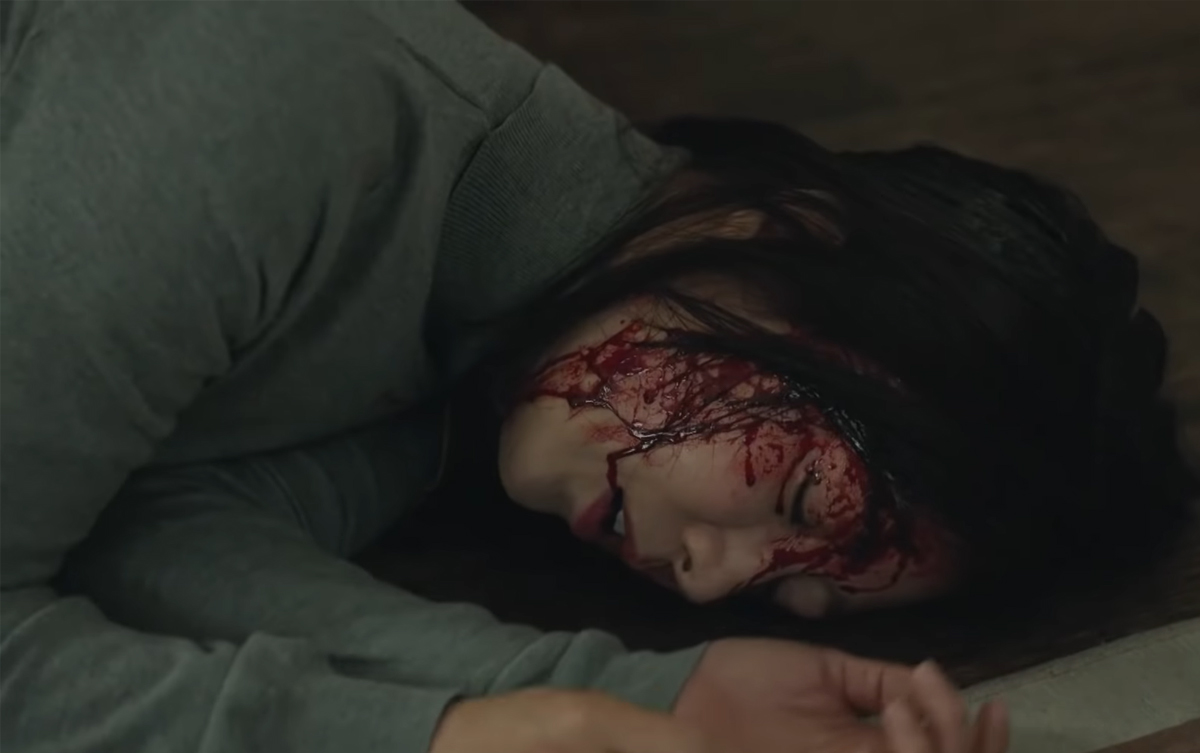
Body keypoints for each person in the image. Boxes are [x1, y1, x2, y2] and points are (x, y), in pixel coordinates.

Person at [3, 2, 1190, 752]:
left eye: (783, 595)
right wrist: (449, 737)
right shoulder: (282, 105)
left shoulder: (460, 383)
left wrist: (648, 697)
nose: (710, 581)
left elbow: (139, 548)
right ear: (788, 235)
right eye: (795, 499)